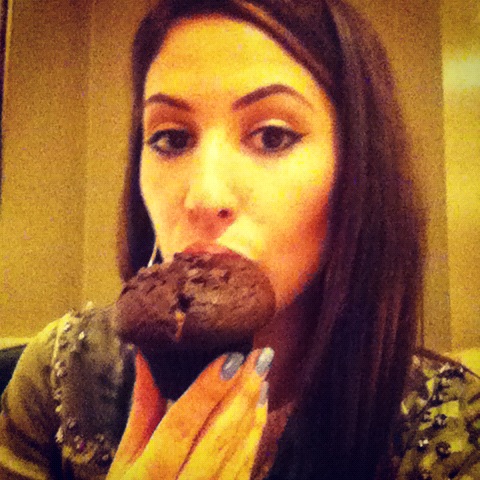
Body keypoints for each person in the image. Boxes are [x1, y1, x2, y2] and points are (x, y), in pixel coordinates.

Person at [1, 0, 479, 479]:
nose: (204, 197)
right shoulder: (58, 379)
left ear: (358, 173)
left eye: (272, 136)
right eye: (171, 138)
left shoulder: (451, 433)